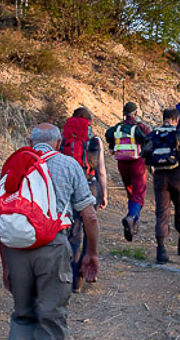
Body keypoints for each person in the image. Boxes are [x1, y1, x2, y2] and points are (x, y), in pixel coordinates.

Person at [0, 123, 99, 340]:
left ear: (29, 141)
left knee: (22, 315)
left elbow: (0, 214)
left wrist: (5, 263)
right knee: (52, 320)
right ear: (58, 142)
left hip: (16, 249)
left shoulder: (14, 164)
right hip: (53, 248)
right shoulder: (68, 164)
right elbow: (89, 215)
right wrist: (91, 253)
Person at [61, 108, 107, 292]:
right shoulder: (95, 141)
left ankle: (73, 279)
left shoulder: (63, 138)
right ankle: (85, 272)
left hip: (68, 187)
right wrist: (104, 194)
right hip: (90, 186)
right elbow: (101, 170)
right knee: (90, 227)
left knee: (73, 231)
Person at [142, 108, 180, 264]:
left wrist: (154, 172)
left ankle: (161, 249)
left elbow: (147, 159)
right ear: (176, 120)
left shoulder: (152, 135)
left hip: (160, 177)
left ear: (163, 118)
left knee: (162, 213)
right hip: (177, 176)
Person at [106, 101, 151, 242]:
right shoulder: (138, 127)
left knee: (131, 192)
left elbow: (108, 134)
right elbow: (146, 141)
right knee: (139, 194)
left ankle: (133, 223)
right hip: (137, 163)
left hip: (121, 164)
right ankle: (131, 217)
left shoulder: (117, 128)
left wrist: (112, 145)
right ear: (136, 113)